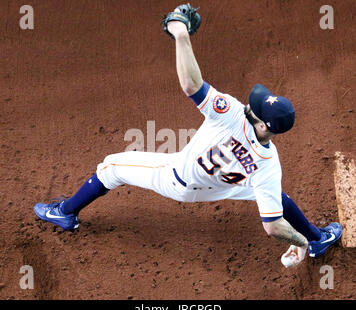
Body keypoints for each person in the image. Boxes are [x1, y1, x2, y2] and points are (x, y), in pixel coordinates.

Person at [34, 6, 342, 267]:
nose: (251, 103)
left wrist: (180, 35)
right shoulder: (269, 165)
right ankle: (315, 240)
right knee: (276, 199)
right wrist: (298, 241)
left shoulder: (233, 113)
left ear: (264, 126)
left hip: (179, 178)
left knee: (111, 167)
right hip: (221, 186)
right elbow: (273, 227)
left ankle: (65, 214)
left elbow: (191, 84)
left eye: (258, 108)